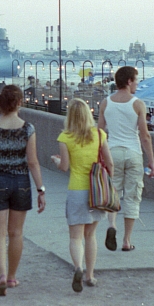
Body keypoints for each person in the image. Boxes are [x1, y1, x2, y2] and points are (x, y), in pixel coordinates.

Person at [0, 85, 46, 296]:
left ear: (0, 103)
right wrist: (41, 189)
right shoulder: (28, 128)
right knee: (16, 233)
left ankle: (1, 274)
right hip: (21, 182)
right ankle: (11, 277)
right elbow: (33, 162)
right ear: (19, 103)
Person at [52, 98, 113, 292]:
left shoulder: (65, 137)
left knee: (75, 237)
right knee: (90, 235)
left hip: (76, 190)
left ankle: (78, 267)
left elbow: (64, 167)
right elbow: (110, 163)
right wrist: (109, 184)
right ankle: (90, 275)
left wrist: (56, 161)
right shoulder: (100, 134)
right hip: (96, 191)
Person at [98, 65, 154, 253]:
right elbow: (145, 135)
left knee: (113, 192)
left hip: (112, 152)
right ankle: (126, 240)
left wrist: (98, 156)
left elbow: (99, 132)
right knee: (132, 196)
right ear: (129, 81)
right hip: (133, 153)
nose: (137, 84)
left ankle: (112, 225)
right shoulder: (138, 104)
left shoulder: (105, 103)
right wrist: (151, 161)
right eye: (136, 80)